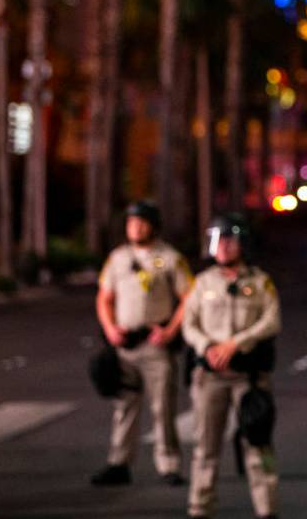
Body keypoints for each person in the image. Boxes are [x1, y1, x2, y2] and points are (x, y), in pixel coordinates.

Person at [183, 214, 281, 519]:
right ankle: (200, 506)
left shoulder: (260, 282)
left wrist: (236, 343)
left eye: (228, 240)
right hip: (211, 375)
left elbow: (271, 320)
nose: (222, 247)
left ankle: (267, 508)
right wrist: (208, 347)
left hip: (249, 377)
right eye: (216, 241)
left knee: (258, 444)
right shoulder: (202, 283)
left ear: (242, 244)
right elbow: (189, 324)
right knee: (205, 447)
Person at [91, 200, 193, 486]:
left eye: (141, 222)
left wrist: (171, 330)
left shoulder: (170, 258)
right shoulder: (118, 258)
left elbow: (189, 297)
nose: (135, 227)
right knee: (124, 406)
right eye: (130, 222)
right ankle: (119, 462)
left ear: (154, 226)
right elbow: (104, 297)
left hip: (155, 343)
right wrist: (110, 328)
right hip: (124, 343)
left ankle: (169, 465)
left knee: (163, 407)